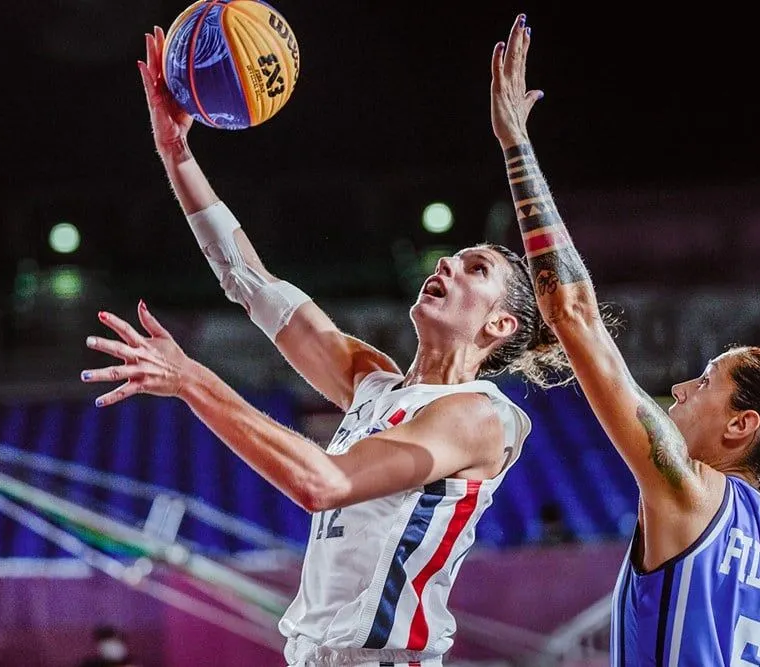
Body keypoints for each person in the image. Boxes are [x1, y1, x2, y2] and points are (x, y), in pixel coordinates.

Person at [79, 25, 573, 667]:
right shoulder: (373, 381)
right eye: (452, 257)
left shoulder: (479, 416)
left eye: (475, 269)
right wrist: (177, 155)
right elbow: (249, 281)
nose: (448, 264)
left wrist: (192, 380)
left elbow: (324, 482)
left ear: (500, 326)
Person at [490, 12, 760, 664]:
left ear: (741, 424)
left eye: (707, 380)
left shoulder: (686, 491)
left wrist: (516, 146)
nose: (681, 387)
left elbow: (573, 314)